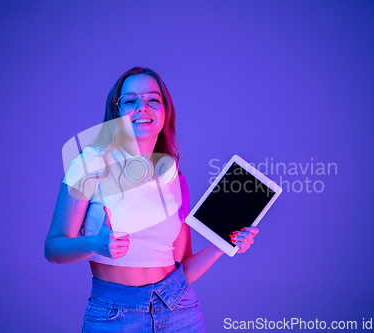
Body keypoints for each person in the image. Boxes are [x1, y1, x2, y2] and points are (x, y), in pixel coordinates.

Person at [44, 67, 259, 332]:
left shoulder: (176, 180)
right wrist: (94, 245)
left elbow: (183, 268)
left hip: (181, 311)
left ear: (165, 111)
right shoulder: (91, 163)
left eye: (152, 99)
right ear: (117, 110)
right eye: (130, 100)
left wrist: (223, 244)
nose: (142, 107)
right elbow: (53, 249)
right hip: (115, 315)